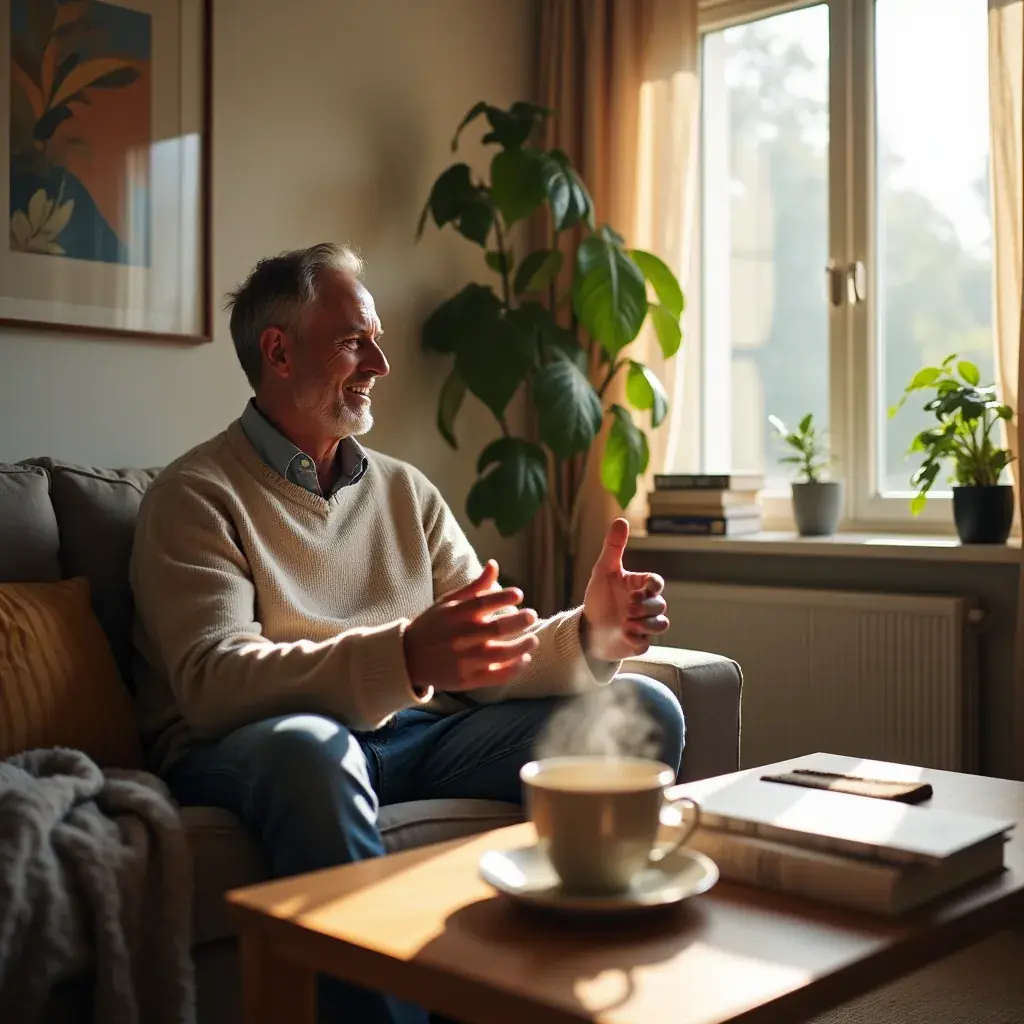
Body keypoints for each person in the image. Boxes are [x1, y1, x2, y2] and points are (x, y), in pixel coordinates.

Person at [130, 242, 683, 1024]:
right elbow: (213, 683)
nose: (382, 363)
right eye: (356, 341)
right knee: (309, 750)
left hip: (412, 741)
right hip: (258, 750)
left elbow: (483, 655)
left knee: (648, 714)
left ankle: (560, 999)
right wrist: (402, 657)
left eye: (376, 337)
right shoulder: (194, 496)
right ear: (278, 351)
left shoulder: (403, 491)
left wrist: (590, 634)